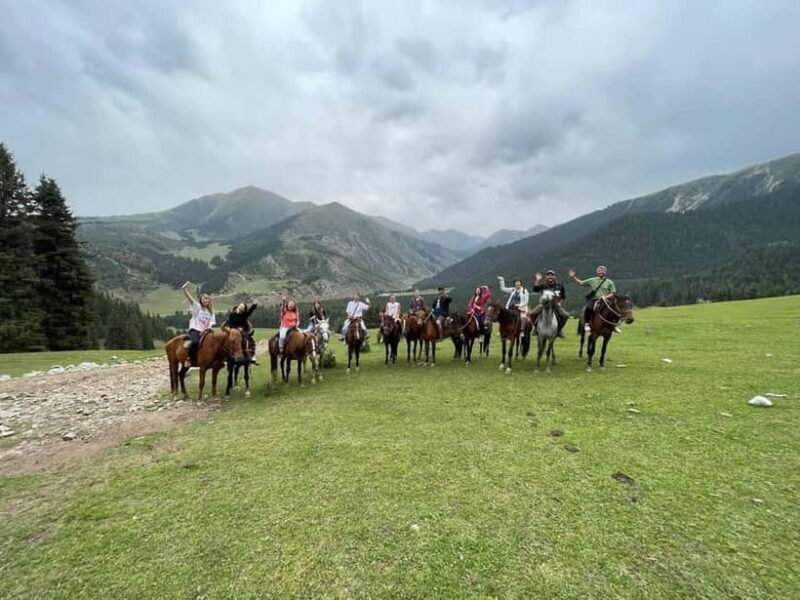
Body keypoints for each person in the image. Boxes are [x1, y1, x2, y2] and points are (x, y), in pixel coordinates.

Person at [568, 265, 619, 333]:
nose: (600, 272)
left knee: (616, 310)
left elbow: (613, 293)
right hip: (595, 299)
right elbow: (581, 283)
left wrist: (605, 297)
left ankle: (614, 326)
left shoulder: (609, 282)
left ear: (605, 272)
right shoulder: (592, 280)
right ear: (597, 272)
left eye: (602, 271)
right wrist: (573, 277)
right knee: (588, 308)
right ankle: (586, 324)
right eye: (599, 271)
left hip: (606, 300)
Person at [181, 281, 216, 365]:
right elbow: (190, 299)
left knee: (215, 341)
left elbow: (212, 321)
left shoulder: (211, 310)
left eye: (207, 299)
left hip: (206, 330)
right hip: (195, 329)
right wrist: (184, 290)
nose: (205, 301)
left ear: (209, 300)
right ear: (201, 300)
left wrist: (208, 328)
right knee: (195, 342)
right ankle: (189, 358)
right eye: (203, 299)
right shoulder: (197, 307)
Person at [531, 270, 570, 338]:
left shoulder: (559, 285)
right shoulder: (543, 285)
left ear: (554, 277)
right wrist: (537, 280)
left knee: (566, 315)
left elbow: (563, 296)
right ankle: (536, 328)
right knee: (532, 313)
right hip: (544, 305)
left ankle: (559, 330)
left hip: (555, 304)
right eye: (548, 275)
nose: (550, 277)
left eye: (551, 275)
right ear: (546, 277)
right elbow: (535, 289)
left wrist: (560, 303)